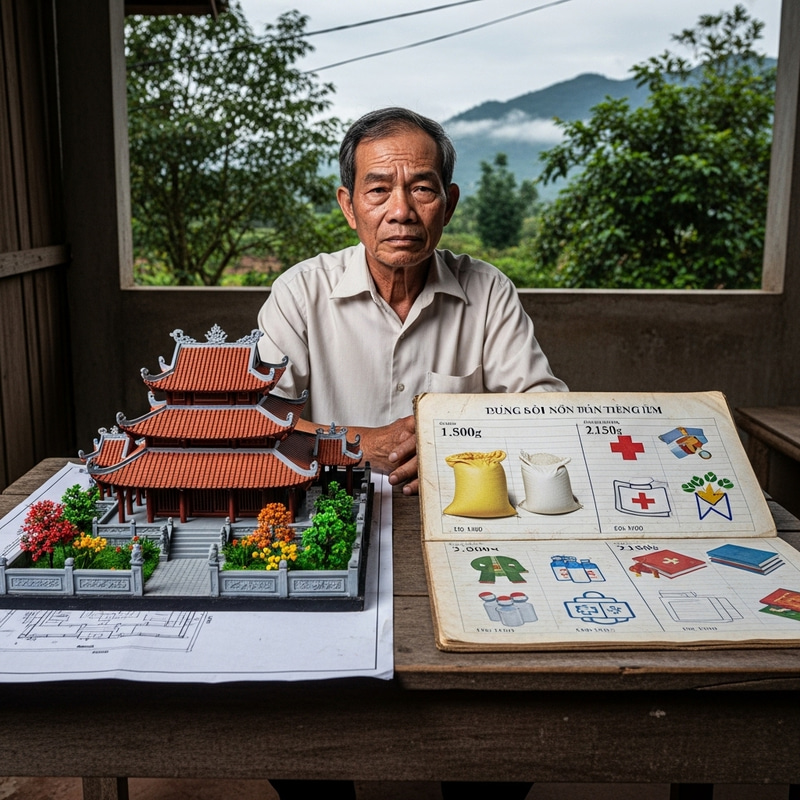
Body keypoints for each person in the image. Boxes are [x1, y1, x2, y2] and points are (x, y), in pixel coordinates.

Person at [258, 107, 567, 500]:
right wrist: (362, 445)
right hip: (332, 506)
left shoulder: (488, 292)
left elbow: (547, 413)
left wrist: (449, 446)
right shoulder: (300, 294)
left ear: (448, 204)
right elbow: (261, 422)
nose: (401, 212)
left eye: (421, 189)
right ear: (349, 207)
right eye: (378, 191)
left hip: (456, 503)